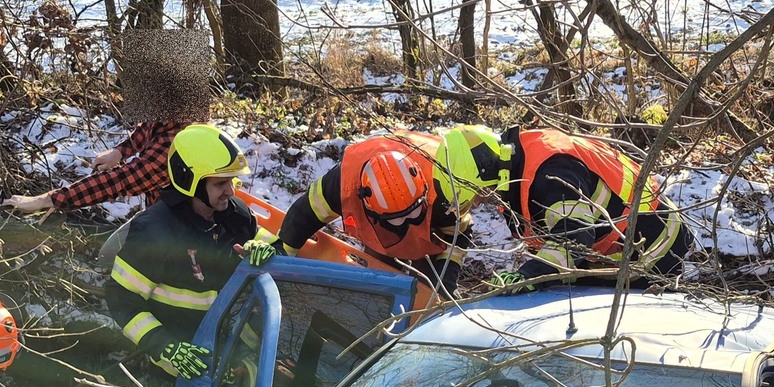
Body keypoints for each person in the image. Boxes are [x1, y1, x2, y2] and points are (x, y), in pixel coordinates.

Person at [435, 123, 691, 285]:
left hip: (655, 252)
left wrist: (528, 275)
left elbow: (574, 238)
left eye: (481, 194)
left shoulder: (551, 172)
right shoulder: (520, 168)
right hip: (615, 256)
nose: (482, 202)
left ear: (486, 170)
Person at [102, 123, 259, 383]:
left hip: (230, 354)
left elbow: (271, 254)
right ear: (190, 181)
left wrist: (267, 251)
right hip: (173, 369)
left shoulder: (237, 216)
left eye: (231, 181)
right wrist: (165, 346)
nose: (230, 191)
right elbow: (122, 298)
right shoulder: (156, 231)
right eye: (220, 183)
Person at [255, 132, 466, 290]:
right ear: (369, 207)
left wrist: (444, 281)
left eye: (413, 213)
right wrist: (282, 255)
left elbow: (460, 233)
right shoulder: (340, 187)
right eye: (398, 219)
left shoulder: (443, 189)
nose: (408, 223)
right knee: (381, 284)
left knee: (428, 290)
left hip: (432, 227)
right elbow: (304, 216)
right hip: (381, 236)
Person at [1, 116, 188, 219]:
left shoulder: (179, 142)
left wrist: (44, 200)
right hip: (162, 218)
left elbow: (118, 182)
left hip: (183, 232)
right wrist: (120, 152)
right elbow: (150, 127)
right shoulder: (173, 115)